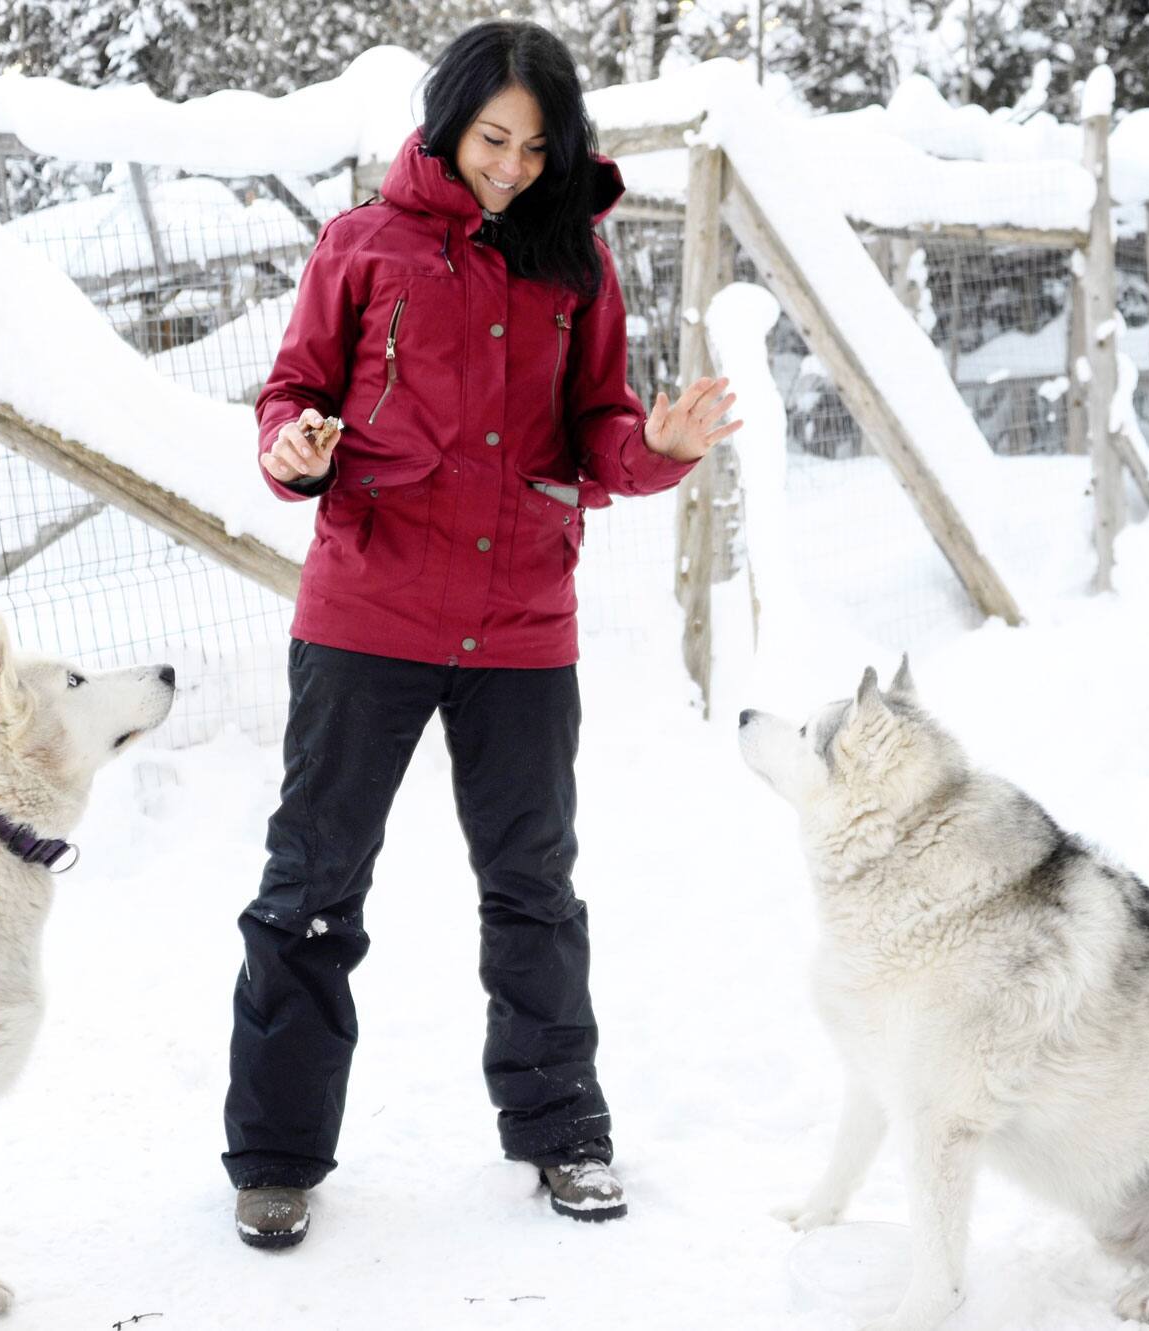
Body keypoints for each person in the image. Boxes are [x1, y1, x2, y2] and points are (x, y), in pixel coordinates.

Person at [226, 18, 741, 1249]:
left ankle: (563, 1131)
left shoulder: (578, 265)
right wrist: (292, 446)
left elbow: (599, 431)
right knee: (310, 888)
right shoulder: (360, 245)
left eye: (533, 144)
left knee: (533, 889)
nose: (509, 165)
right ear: (447, 121)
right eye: (490, 138)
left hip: (521, 625)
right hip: (368, 612)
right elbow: (294, 390)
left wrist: (655, 451)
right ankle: (277, 1156)